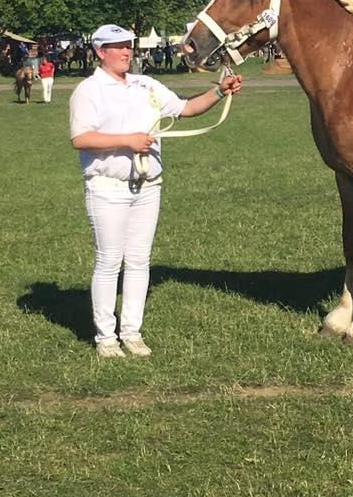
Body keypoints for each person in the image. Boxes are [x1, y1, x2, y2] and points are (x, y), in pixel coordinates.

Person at [69, 24, 243, 358]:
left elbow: (185, 108)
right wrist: (128, 141)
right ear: (100, 52)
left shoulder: (145, 84)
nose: (126, 51)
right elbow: (81, 138)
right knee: (109, 262)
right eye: (118, 47)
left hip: (148, 186)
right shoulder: (89, 90)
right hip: (108, 187)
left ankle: (131, 333)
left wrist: (220, 92)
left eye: (128, 45)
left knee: (139, 261)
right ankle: (106, 337)